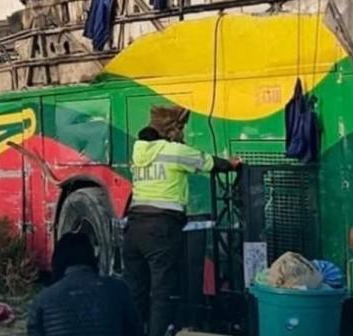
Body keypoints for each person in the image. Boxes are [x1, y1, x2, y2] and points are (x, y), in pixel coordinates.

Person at [124, 111, 241, 336]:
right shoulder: (173, 151)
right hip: (161, 230)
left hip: (134, 229)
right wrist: (231, 164)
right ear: (172, 131)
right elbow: (205, 161)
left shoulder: (138, 153)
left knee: (137, 291)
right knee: (162, 292)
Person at [26, 233, 142, 336]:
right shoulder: (119, 290)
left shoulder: (44, 299)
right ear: (92, 258)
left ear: (57, 261)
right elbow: (135, 330)